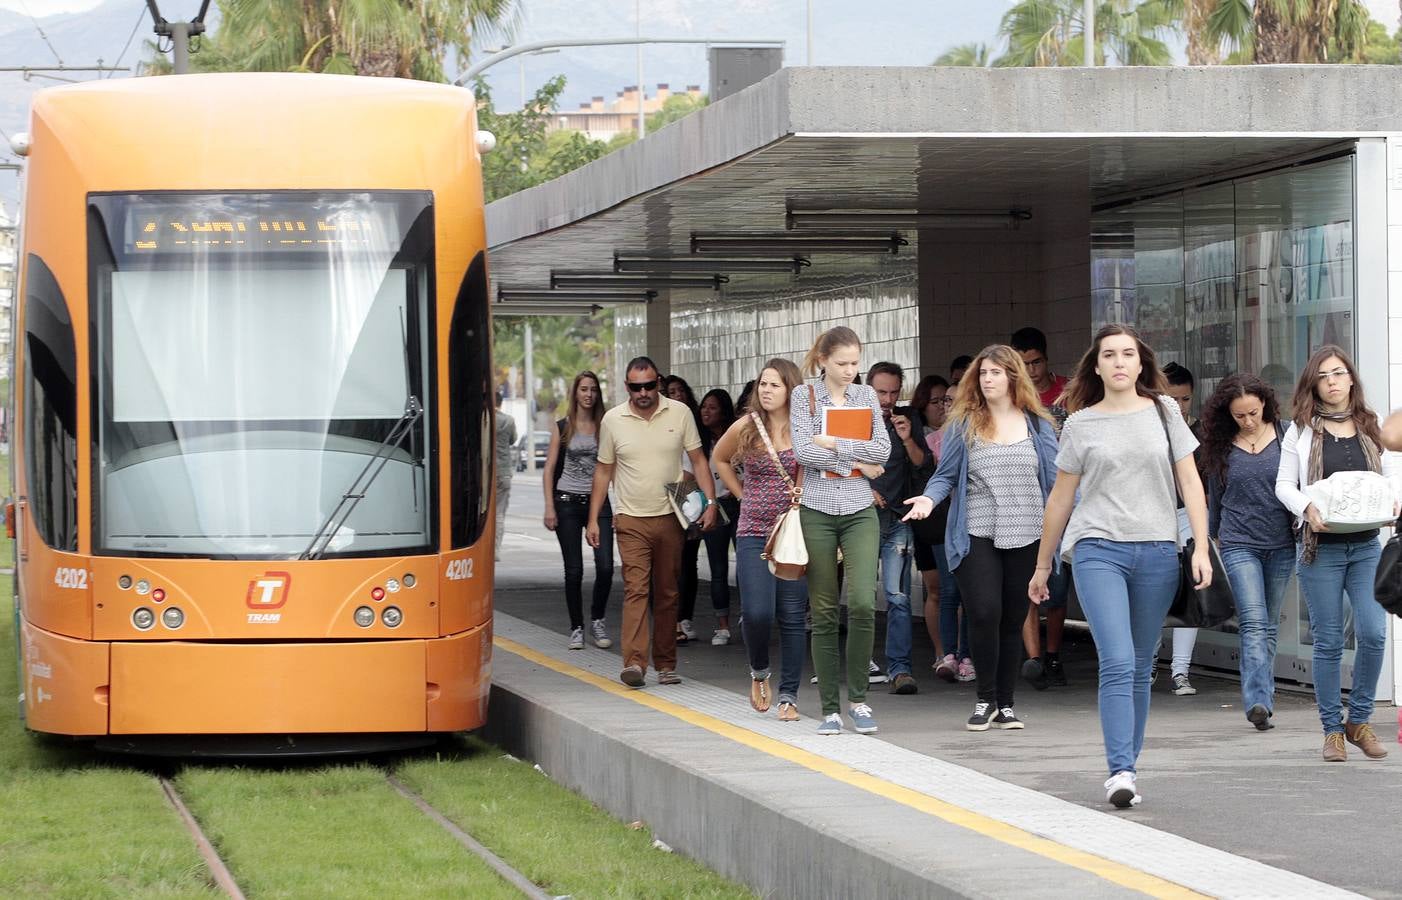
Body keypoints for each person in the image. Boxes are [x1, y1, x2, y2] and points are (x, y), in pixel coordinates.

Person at [1029, 324, 1211, 809]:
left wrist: (1198, 547)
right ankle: (1119, 771)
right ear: (1097, 365)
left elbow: (1190, 483)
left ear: (1140, 362)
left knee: (1140, 664)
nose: (1119, 362)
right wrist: (1043, 565)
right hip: (1097, 549)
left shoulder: (1165, 411)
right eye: (1109, 354)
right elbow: (1061, 497)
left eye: (1128, 354)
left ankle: (1130, 761)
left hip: (1156, 549)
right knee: (1117, 659)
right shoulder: (1080, 423)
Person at [905, 345, 1059, 731]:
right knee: (985, 611)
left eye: (996, 373)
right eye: (983, 373)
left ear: (1013, 378)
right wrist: (928, 498)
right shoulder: (964, 424)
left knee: (1012, 619)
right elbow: (944, 475)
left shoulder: (1038, 426)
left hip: (1027, 531)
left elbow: (1059, 483)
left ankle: (1005, 705)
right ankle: (984, 698)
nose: (988, 379)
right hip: (977, 532)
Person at [1275, 345, 1397, 762]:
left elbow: (1392, 472)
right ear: (1314, 383)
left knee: (1374, 632)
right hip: (1320, 548)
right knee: (1327, 640)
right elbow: (1283, 485)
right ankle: (1332, 729)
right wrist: (1306, 508)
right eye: (1324, 375)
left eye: (1339, 373)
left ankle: (1359, 719)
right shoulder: (1301, 430)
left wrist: (1394, 501)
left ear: (1351, 379)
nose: (1332, 381)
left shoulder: (1370, 422)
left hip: (1365, 544)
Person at [588, 357, 718, 688]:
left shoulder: (680, 412)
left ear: (657, 382)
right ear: (626, 387)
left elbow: (699, 461)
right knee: (635, 589)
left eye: (648, 385)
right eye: (635, 387)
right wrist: (593, 519)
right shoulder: (613, 420)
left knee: (667, 591)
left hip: (671, 517)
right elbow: (604, 470)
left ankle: (666, 663)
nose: (643, 393)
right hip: (630, 519)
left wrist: (711, 503)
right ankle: (634, 663)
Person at [791, 326, 890, 735]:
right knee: (825, 609)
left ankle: (860, 701)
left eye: (855, 363)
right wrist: (857, 461)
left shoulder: (866, 396)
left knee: (865, 602)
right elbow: (802, 449)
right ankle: (830, 707)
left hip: (858, 508)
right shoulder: (804, 396)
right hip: (816, 508)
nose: (851, 370)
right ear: (823, 360)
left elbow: (882, 450)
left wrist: (834, 443)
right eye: (842, 363)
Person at [714, 359, 809, 720]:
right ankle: (758, 671)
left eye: (774, 385)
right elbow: (720, 459)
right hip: (753, 529)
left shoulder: (806, 427)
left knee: (791, 615)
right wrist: (741, 495)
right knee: (756, 613)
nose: (766, 391)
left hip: (793, 533)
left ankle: (789, 696)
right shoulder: (748, 425)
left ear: (791, 390)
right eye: (762, 385)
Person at [1198, 373, 1293, 731]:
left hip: (1282, 543)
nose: (1249, 421)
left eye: (1253, 412)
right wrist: (1209, 541)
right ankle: (1257, 701)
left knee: (1268, 624)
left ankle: (1263, 698)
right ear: (1229, 415)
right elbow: (1215, 499)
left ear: (1265, 404)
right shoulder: (1221, 445)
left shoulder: (1287, 435)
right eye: (1240, 415)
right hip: (1238, 542)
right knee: (1253, 621)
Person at [1011, 327, 1072, 691]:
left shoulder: (1067, 390)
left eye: (1036, 362)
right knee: (1027, 582)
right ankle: (1034, 659)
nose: (1031, 370)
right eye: (1024, 363)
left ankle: (1052, 654)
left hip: (1061, 493)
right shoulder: (1013, 397)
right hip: (1021, 499)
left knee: (1058, 588)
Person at [866, 362, 928, 695]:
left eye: (893, 392)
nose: (888, 399)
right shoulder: (855, 421)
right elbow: (837, 464)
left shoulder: (908, 420)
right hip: (861, 519)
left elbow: (922, 464)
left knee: (899, 596)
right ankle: (859, 661)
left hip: (898, 519)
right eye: (881, 392)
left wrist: (906, 439)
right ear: (867, 389)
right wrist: (864, 489)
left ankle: (900, 669)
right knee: (861, 597)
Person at [543, 371, 614, 651]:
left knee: (606, 567)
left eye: (593, 390)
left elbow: (612, 469)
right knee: (574, 570)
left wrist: (618, 507)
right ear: (575, 393)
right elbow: (549, 469)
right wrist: (550, 506)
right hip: (567, 502)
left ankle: (598, 619)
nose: (589, 394)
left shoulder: (605, 427)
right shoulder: (563, 427)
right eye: (584, 389)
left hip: (599, 502)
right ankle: (576, 627)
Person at [911, 375, 973, 682]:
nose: (947, 406)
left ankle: (968, 656)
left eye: (952, 400)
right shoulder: (934, 438)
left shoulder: (974, 433)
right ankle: (949, 654)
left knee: (970, 595)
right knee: (948, 591)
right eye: (944, 400)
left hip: (971, 522)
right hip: (941, 522)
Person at [1159, 362, 1206, 697]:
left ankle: (1180, 671)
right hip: (1154, 517)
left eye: (1185, 399)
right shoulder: (1147, 432)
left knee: (1190, 593)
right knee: (1154, 593)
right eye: (1172, 399)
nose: (1179, 406)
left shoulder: (1201, 433)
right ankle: (1147, 664)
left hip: (1189, 516)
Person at [692, 388, 739, 645]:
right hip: (715, 507)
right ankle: (722, 626)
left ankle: (748, 615)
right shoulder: (699, 443)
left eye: (712, 407)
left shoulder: (736, 438)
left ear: (723, 411)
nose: (705, 412)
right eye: (704, 407)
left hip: (740, 505)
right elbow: (691, 475)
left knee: (746, 565)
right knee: (718, 568)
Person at [664, 375, 705, 644]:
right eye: (670, 392)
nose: (676, 395)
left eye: (680, 390)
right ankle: (669, 620)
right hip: (662, 494)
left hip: (687, 493)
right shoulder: (659, 422)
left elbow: (700, 461)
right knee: (667, 563)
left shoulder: (693, 422)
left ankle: (684, 618)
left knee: (689, 560)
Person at [492, 391, 518, 561]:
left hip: (488, 472)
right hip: (504, 473)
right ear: (501, 403)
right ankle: (495, 551)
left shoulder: (485, 419)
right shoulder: (509, 421)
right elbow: (513, 440)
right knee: (499, 514)